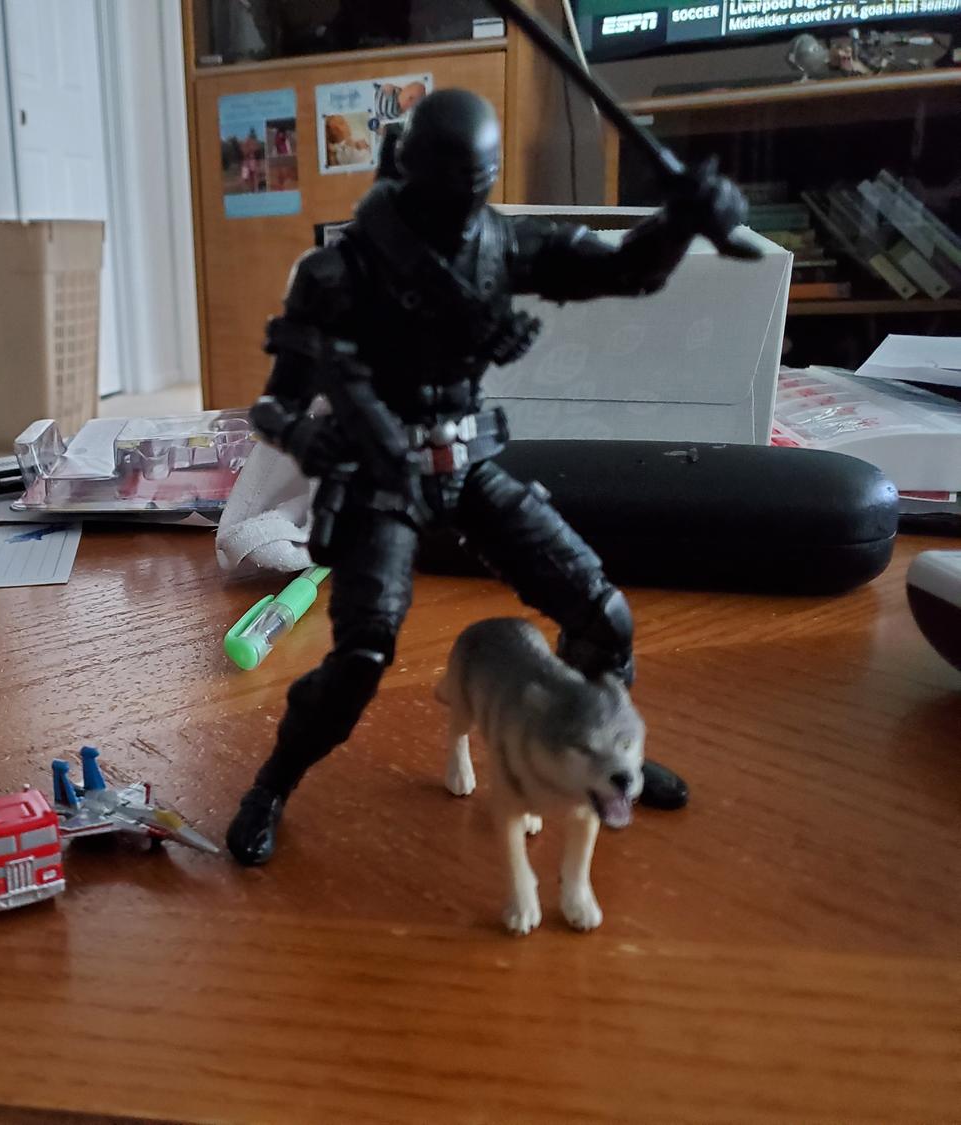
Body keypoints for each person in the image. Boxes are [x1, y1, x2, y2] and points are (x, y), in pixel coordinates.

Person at [225, 88, 749, 866]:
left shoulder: (499, 243)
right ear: (406, 172)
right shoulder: (340, 271)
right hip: (381, 481)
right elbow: (276, 405)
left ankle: (600, 746)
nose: (458, 212)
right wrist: (319, 439)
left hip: (466, 462)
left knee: (603, 616)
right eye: (446, 193)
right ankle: (271, 784)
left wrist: (681, 221)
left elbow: (624, 271)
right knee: (362, 656)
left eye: (474, 192)